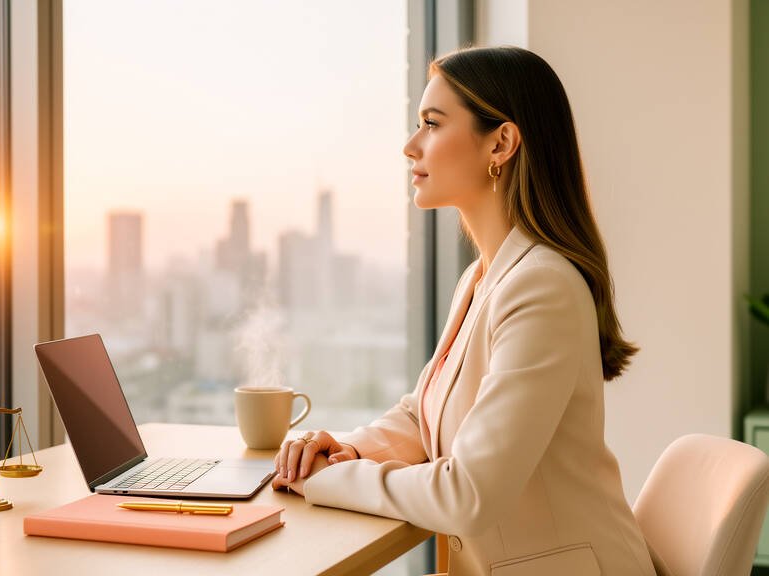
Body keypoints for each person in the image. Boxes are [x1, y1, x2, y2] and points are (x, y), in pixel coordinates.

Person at [271, 46, 657, 576]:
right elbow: (424, 411)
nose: (411, 146)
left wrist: (328, 480)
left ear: (501, 143)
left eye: (431, 124)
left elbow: (469, 494)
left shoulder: (541, 286)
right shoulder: (483, 276)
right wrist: (348, 450)